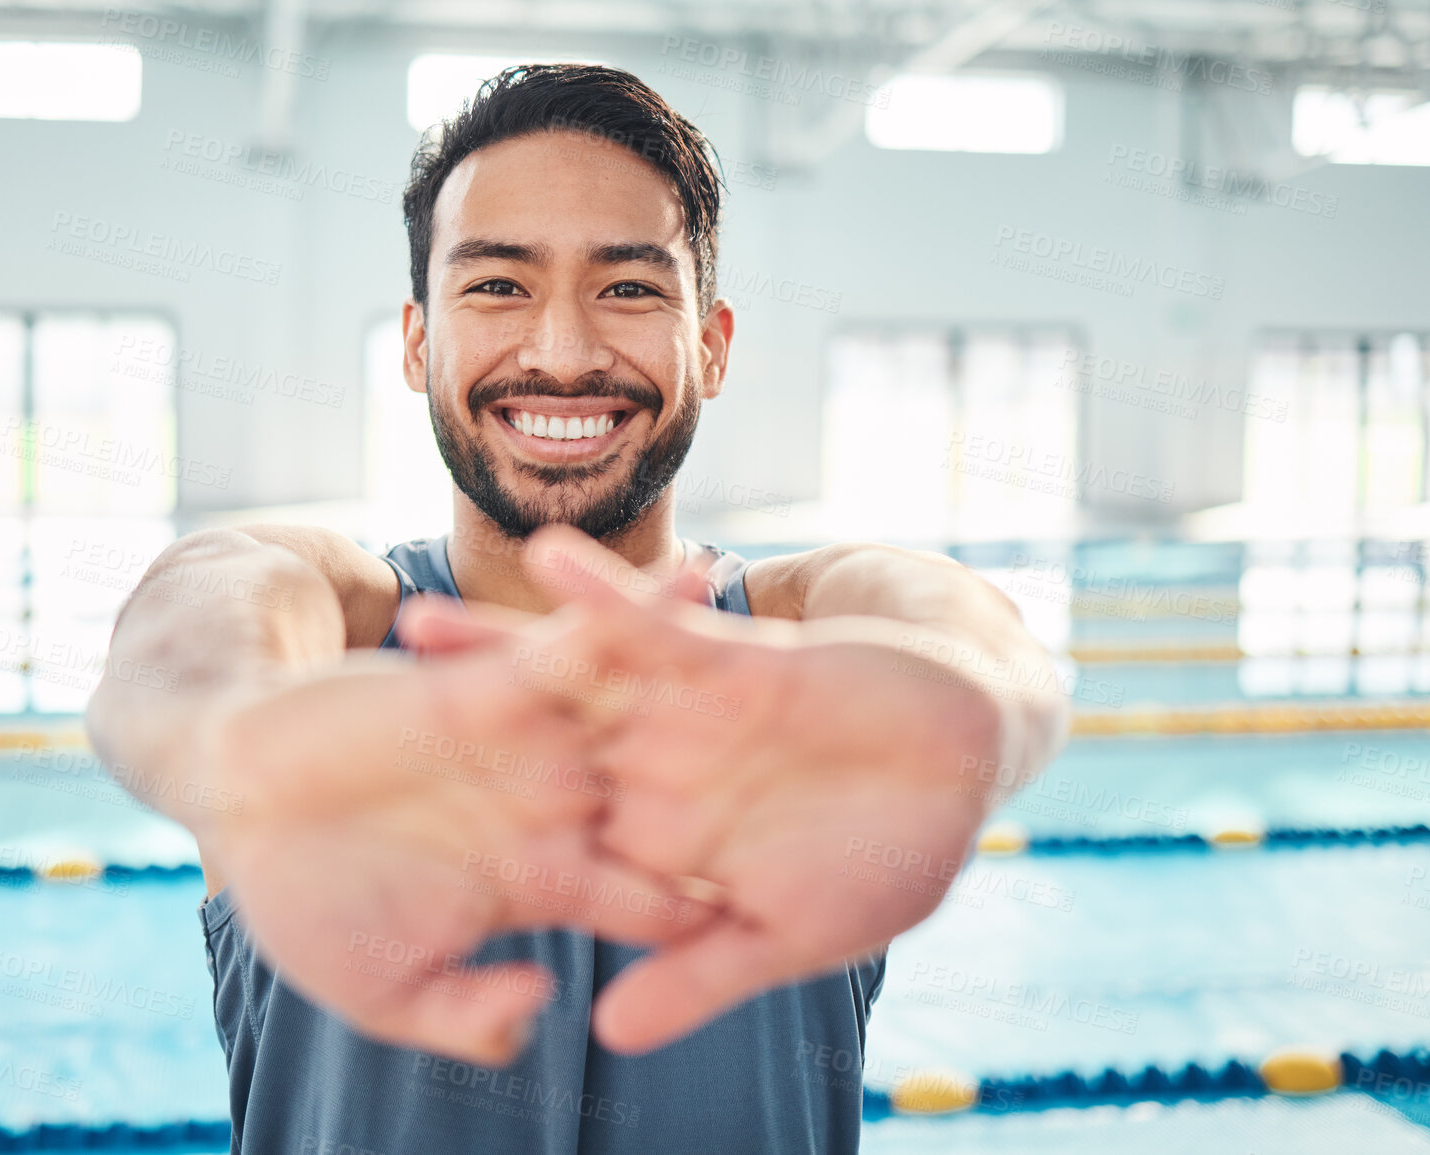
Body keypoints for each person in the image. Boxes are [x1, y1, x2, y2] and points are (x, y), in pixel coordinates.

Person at [87, 63, 1069, 1155]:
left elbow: (961, 631)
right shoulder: (338, 641)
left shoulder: (799, 651)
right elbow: (201, 609)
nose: (561, 353)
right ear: (418, 342)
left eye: (631, 288)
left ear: (712, 344)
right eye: (498, 286)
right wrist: (228, 742)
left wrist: (981, 714)